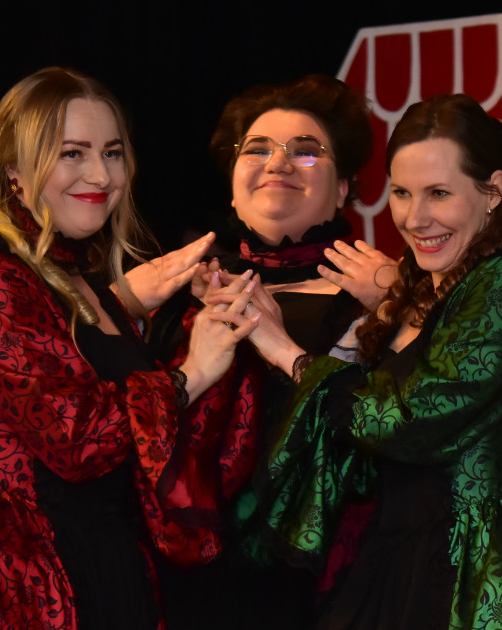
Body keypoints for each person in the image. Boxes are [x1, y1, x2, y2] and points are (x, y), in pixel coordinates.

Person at [0, 67, 262, 630]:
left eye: (111, 153)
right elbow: (76, 440)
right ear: (15, 168)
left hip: (88, 563)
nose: (99, 174)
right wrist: (189, 374)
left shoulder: (77, 282)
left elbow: (125, 419)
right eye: (71, 153)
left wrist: (151, 311)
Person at [234, 94, 502, 629]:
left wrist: (285, 352)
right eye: (401, 193)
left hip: (476, 572)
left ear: (493, 191)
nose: (415, 218)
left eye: (439, 193)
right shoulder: (438, 290)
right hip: (403, 559)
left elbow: (404, 420)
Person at [151, 74, 394, 630]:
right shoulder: (174, 295)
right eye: (257, 150)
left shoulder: (380, 298)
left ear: (342, 189)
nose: (279, 162)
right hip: (194, 583)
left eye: (306, 152)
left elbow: (387, 437)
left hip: (328, 583)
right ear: (232, 186)